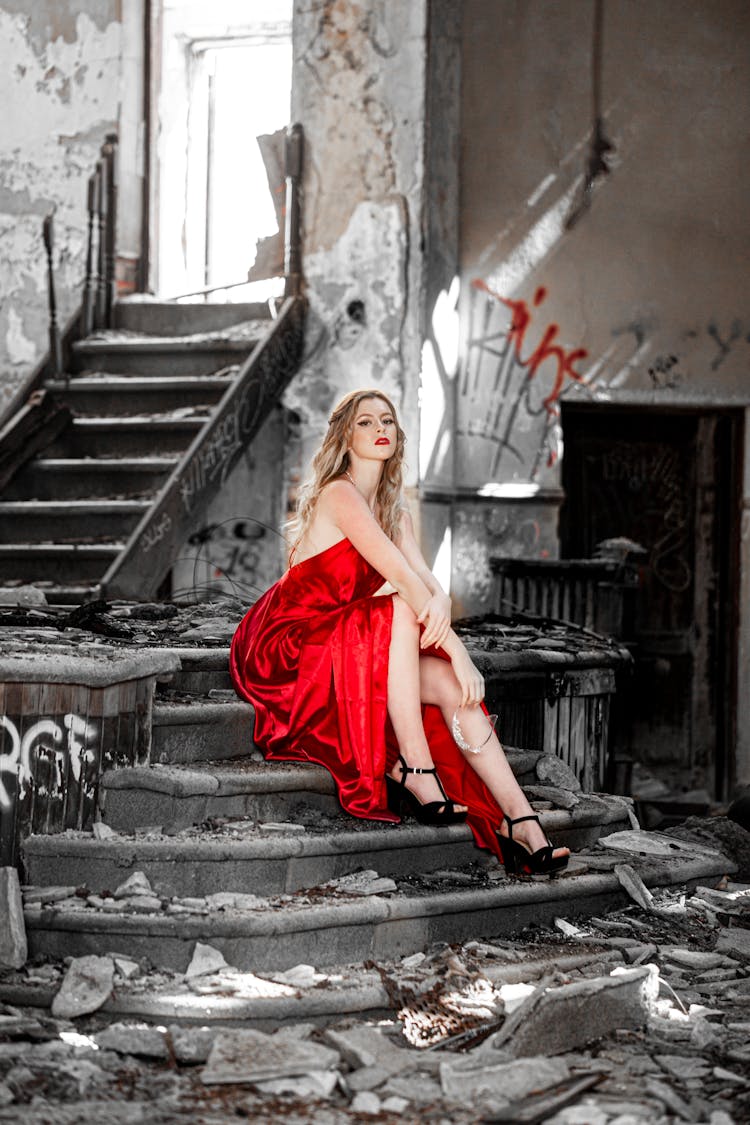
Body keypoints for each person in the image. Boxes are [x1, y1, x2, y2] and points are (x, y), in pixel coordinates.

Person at [230, 388, 569, 876]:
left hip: (349, 646)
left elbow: (429, 589)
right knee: (396, 610)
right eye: (365, 422)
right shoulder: (339, 494)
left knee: (453, 688)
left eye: (386, 420)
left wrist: (444, 613)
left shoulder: (395, 514)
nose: (379, 428)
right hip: (288, 645)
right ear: (345, 437)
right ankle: (415, 766)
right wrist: (461, 654)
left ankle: (522, 824)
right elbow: (407, 587)